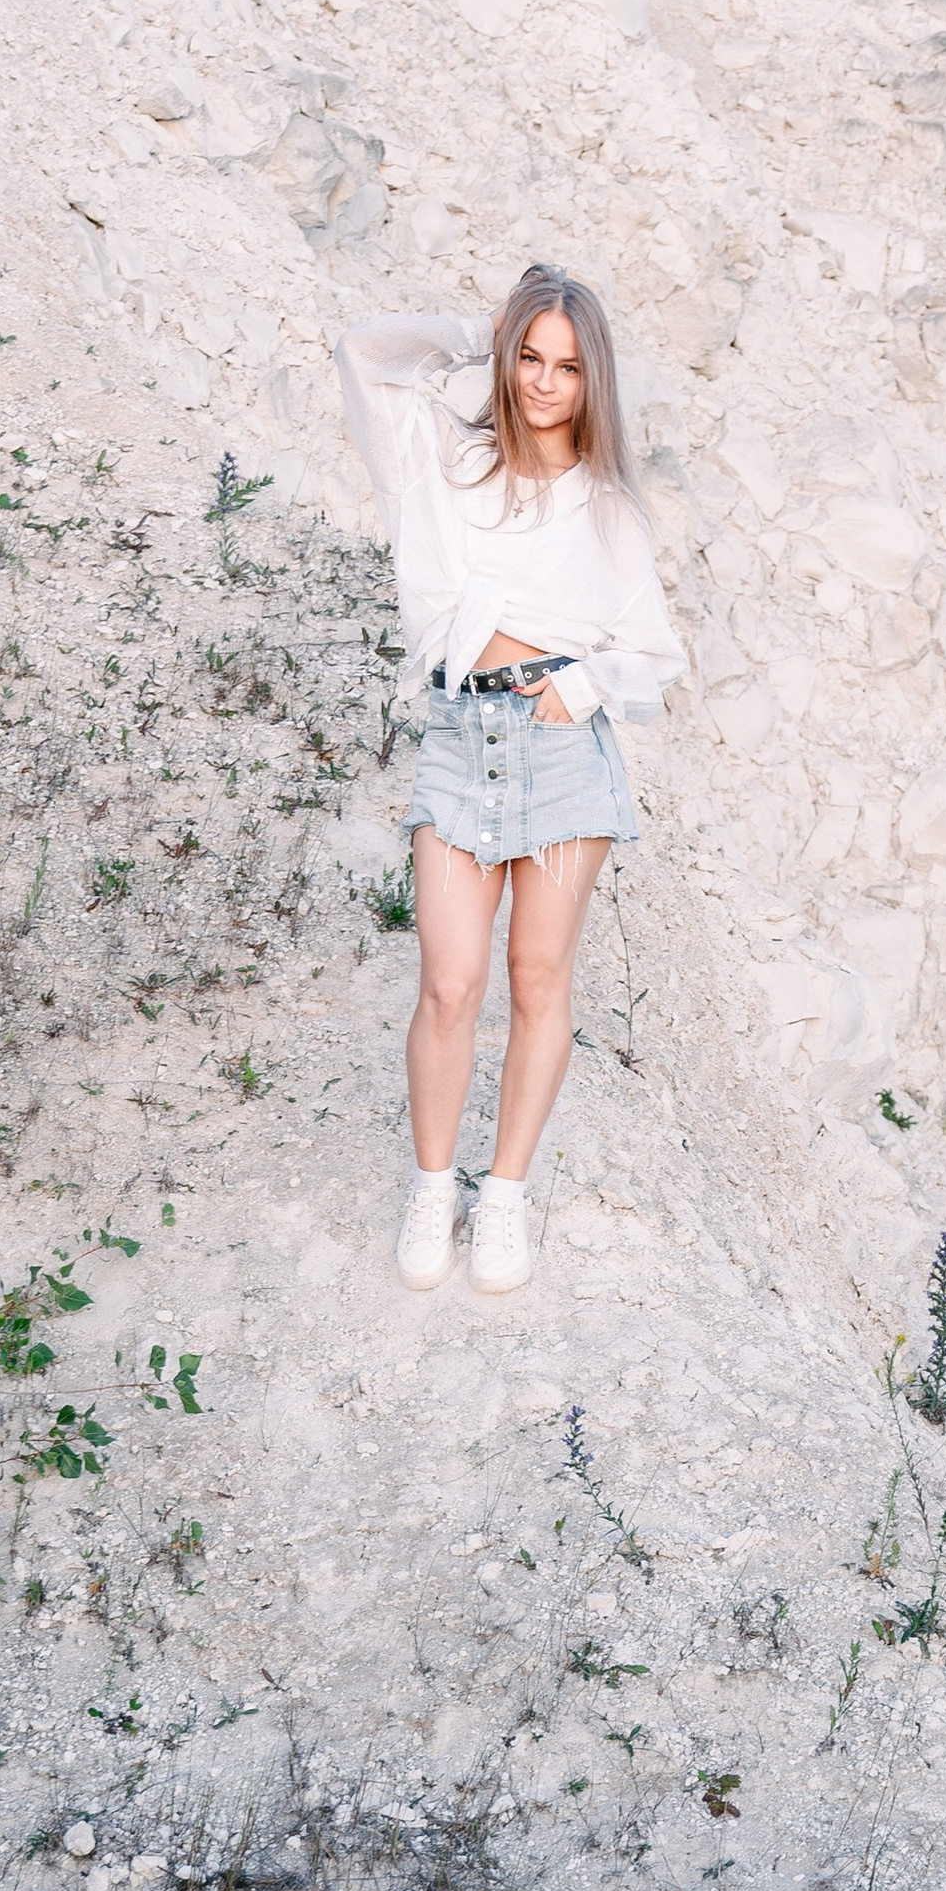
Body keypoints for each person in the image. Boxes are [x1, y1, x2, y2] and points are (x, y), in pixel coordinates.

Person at [334, 267, 684, 1293]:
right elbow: (363, 351)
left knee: (538, 980)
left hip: (561, 756)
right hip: (457, 740)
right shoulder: (444, 463)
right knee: (449, 982)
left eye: (566, 367)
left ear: (592, 382)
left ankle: (505, 1196)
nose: (542, 382)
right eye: (528, 358)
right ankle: (433, 1185)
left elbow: (654, 654)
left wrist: (580, 688)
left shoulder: (611, 510)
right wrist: (469, 331)